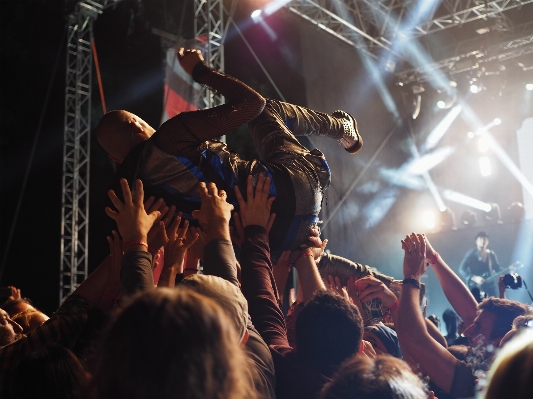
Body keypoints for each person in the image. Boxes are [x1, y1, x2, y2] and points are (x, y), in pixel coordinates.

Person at [96, 48, 363, 259]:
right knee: (268, 110)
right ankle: (342, 127)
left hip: (279, 241)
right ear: (135, 124)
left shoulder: (139, 203)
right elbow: (251, 105)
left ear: (116, 159)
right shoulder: (168, 139)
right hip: (291, 186)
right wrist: (199, 70)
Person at [396, 232, 531, 398]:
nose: (467, 331)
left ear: (498, 344)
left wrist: (411, 277)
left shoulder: (479, 384)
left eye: (478, 327)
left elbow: (413, 338)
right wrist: (433, 258)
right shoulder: (490, 363)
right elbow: (470, 314)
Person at [459, 231, 501, 297]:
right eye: (481, 239)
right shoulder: (471, 254)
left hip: (490, 287)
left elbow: (498, 268)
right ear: (476, 241)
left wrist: (509, 269)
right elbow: (462, 269)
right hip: (476, 287)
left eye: (485, 239)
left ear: (488, 241)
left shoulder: (491, 254)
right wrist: (474, 278)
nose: (483, 241)